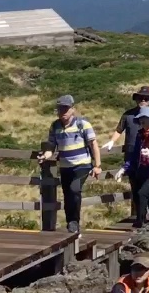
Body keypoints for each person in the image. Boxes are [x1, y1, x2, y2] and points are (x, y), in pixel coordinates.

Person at [38, 94, 100, 234]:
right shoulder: (55, 126)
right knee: (67, 195)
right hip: (66, 167)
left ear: (73, 109)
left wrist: (97, 165)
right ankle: (71, 224)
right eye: (60, 109)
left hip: (82, 165)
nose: (63, 112)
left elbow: (93, 145)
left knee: (74, 190)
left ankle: (74, 222)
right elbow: (51, 147)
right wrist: (45, 156)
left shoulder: (83, 124)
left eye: (66, 109)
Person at [106, 86, 149, 159]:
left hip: (147, 156)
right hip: (130, 156)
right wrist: (112, 141)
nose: (143, 100)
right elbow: (119, 130)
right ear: (136, 99)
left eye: (146, 98)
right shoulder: (127, 115)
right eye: (140, 98)